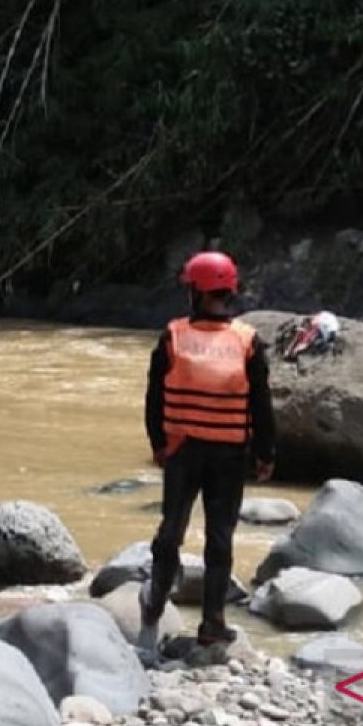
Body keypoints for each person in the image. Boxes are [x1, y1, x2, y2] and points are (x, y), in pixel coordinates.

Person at [138, 250, 276, 657]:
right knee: (220, 539)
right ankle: (213, 624)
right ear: (229, 291)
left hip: (182, 452)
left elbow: (154, 399)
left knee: (171, 531)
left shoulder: (172, 335)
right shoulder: (248, 341)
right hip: (229, 454)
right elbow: (261, 405)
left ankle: (155, 602)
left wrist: (158, 445)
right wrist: (265, 454)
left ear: (196, 292)